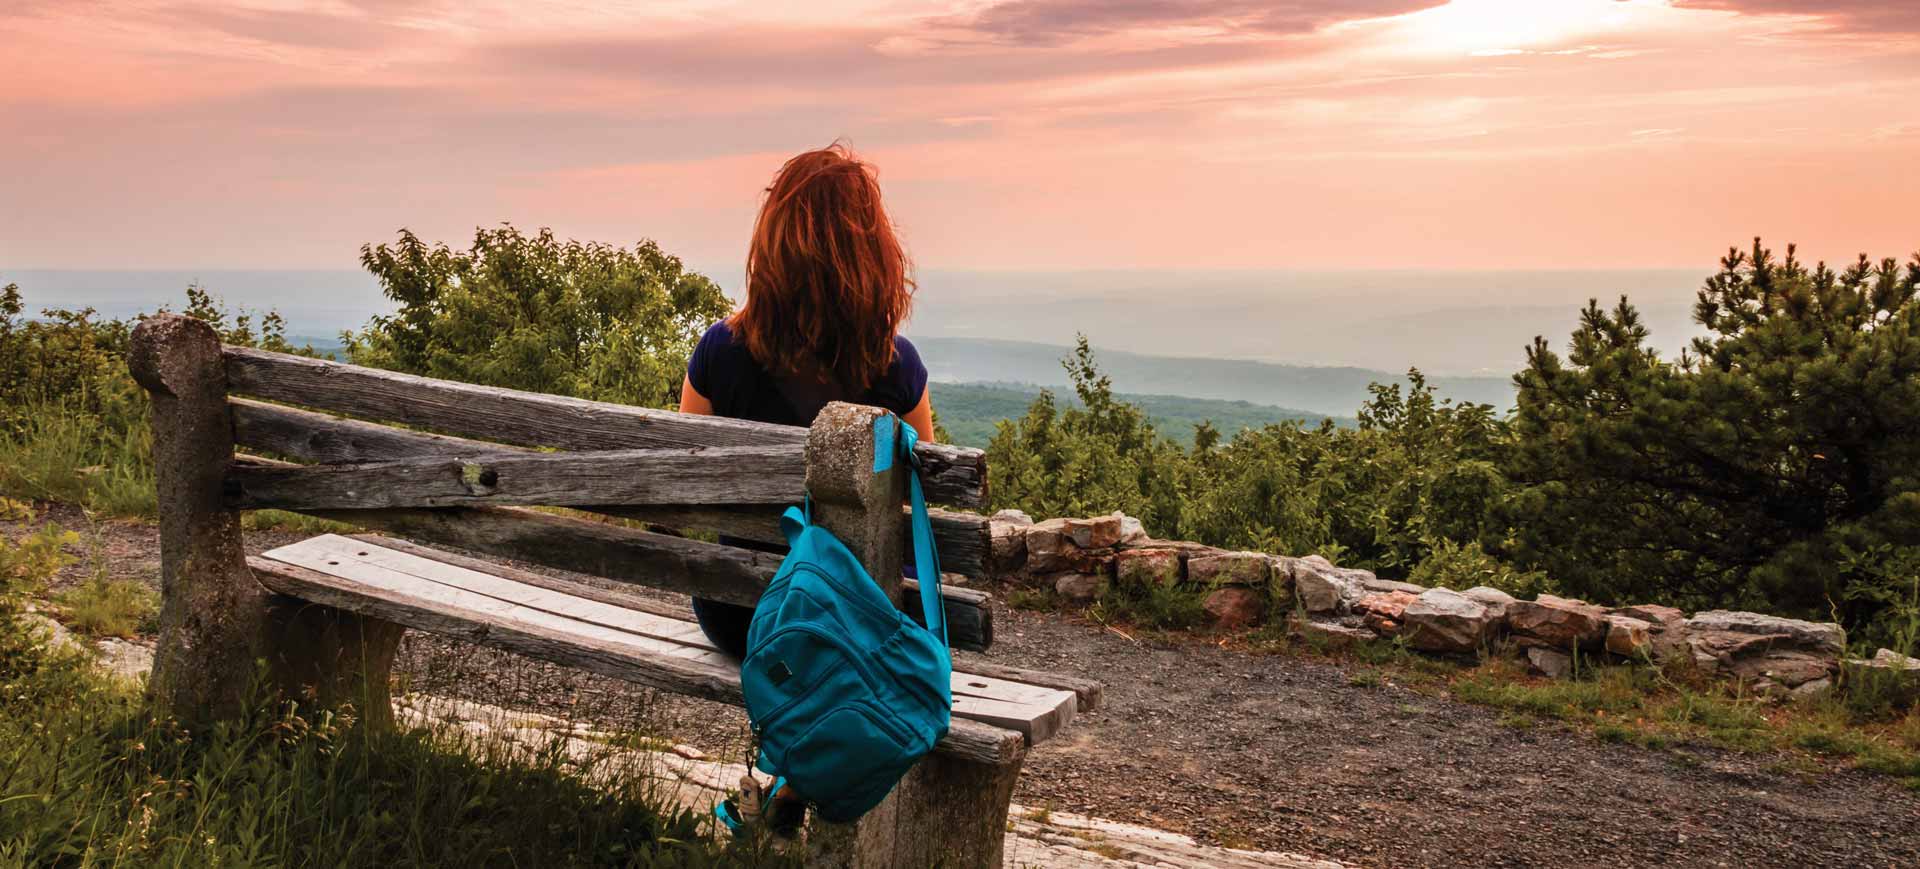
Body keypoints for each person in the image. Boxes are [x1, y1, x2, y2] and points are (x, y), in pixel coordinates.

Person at [678, 143, 935, 660]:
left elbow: (687, 482)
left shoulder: (718, 353)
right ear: (873, 255)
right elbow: (925, 492)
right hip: (866, 620)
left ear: (772, 248)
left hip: (740, 613)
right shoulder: (896, 364)